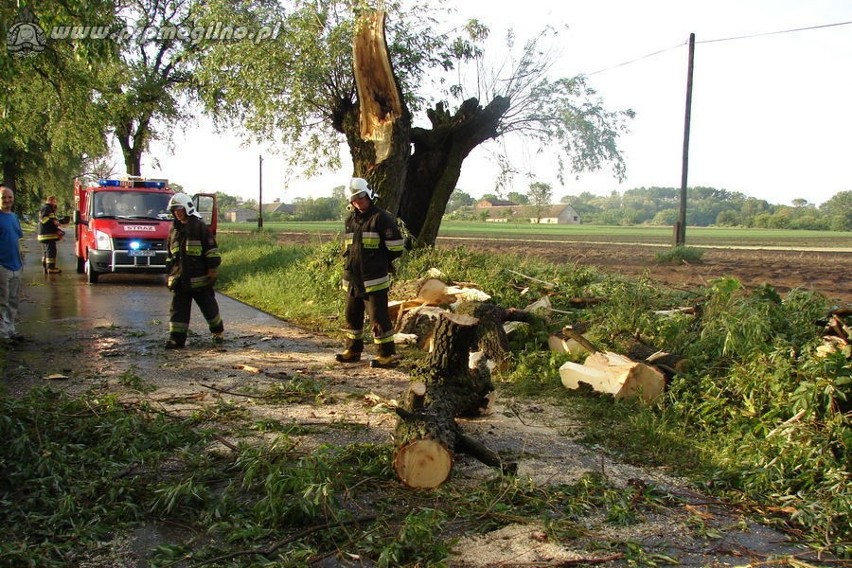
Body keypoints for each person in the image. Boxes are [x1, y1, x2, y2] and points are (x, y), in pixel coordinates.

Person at [336, 177, 405, 368]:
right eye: (354, 199)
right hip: (352, 279)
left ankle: (387, 355)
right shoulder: (350, 220)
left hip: (374, 279)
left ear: (369, 195)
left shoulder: (381, 218)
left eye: (361, 197)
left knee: (379, 318)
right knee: (351, 316)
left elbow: (397, 247)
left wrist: (379, 262)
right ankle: (353, 350)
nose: (358, 202)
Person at [164, 193, 224, 349]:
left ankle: (218, 332)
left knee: (209, 308)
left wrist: (212, 269)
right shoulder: (174, 231)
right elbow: (170, 256)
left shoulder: (199, 227)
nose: (177, 212)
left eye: (179, 209)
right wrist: (169, 274)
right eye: (174, 209)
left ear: (187, 208)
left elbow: (212, 250)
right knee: (178, 312)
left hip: (200, 280)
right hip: (180, 281)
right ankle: (176, 339)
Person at [0, 186, 25, 344]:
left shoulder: (14, 217)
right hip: (2, 266)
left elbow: (17, 238)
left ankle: (10, 330)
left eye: (10, 197)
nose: (7, 200)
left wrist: (21, 257)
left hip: (16, 265)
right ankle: (2, 335)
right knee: (2, 300)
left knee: (13, 300)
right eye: (4, 198)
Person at [37, 195, 64, 274]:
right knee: (51, 251)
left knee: (46, 251)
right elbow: (43, 219)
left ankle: (46, 266)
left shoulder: (48, 208)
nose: (55, 203)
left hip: (45, 234)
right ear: (51, 200)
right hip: (47, 235)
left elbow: (49, 221)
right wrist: (54, 223)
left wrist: (57, 229)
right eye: (55, 201)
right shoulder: (47, 208)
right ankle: (51, 268)